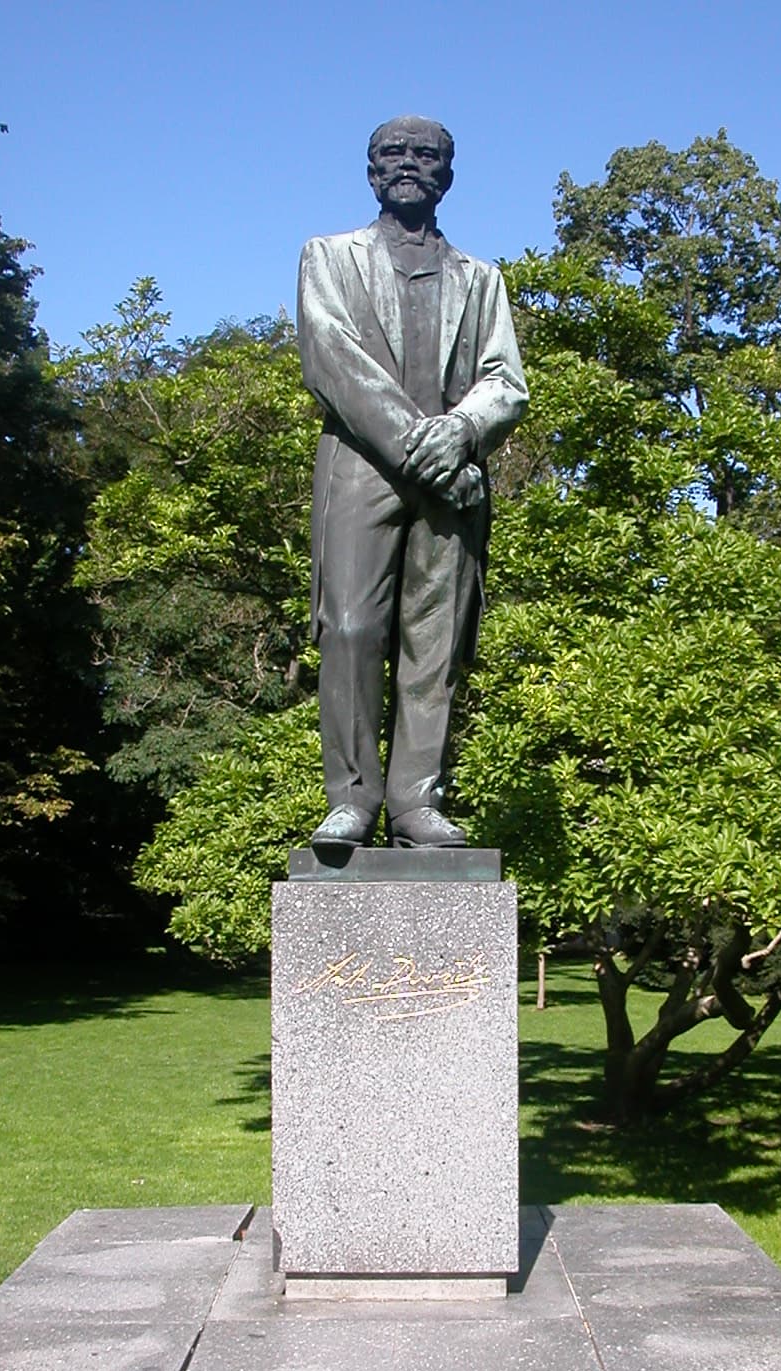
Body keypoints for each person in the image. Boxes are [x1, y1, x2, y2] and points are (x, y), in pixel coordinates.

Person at [297, 115, 528, 848]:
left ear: (446, 176)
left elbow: (505, 382)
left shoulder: (480, 279)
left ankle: (416, 802)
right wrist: (423, 449)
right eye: (392, 153)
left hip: (452, 483)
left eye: (425, 155)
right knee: (350, 629)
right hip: (362, 469)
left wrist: (461, 432)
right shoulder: (328, 257)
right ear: (371, 171)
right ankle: (352, 798)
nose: (408, 163)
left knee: (435, 644)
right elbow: (331, 361)